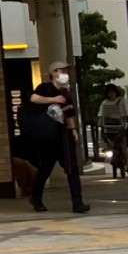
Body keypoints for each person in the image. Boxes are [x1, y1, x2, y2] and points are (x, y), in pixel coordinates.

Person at [22, 64, 87, 214]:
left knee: (72, 169)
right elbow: (34, 98)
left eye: (66, 71)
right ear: (53, 73)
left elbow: (69, 114)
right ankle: (36, 197)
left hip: (64, 136)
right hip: (48, 136)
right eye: (62, 71)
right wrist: (53, 99)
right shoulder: (44, 88)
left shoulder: (66, 93)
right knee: (45, 168)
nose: (65, 74)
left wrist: (73, 130)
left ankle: (77, 203)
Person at [96, 83, 128, 178]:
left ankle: (127, 165)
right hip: (108, 128)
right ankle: (108, 155)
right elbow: (100, 115)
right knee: (107, 143)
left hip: (121, 127)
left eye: (113, 92)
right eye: (109, 93)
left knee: (123, 145)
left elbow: (127, 112)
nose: (111, 94)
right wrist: (99, 122)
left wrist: (127, 121)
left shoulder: (122, 101)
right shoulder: (104, 103)